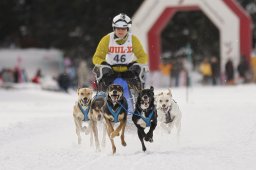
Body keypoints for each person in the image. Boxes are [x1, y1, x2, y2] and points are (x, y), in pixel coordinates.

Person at [92, 13, 148, 91]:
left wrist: (134, 64)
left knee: (137, 86)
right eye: (118, 28)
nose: (120, 31)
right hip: (110, 71)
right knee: (103, 88)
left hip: (128, 71)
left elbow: (143, 56)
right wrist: (103, 63)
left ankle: (136, 100)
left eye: (123, 29)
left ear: (128, 29)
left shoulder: (133, 39)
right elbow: (96, 57)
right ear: (114, 28)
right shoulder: (107, 39)